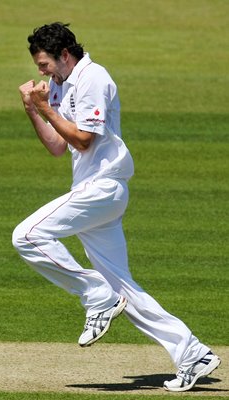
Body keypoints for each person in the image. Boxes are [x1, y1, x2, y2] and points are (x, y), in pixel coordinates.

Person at [12, 22, 220, 392]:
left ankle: (95, 296)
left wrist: (47, 107)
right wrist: (34, 110)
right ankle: (193, 354)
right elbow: (60, 146)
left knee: (27, 236)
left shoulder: (93, 78)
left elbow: (84, 140)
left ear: (64, 55)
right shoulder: (62, 84)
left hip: (103, 188)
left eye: (44, 64)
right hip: (90, 191)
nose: (40, 72)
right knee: (123, 287)